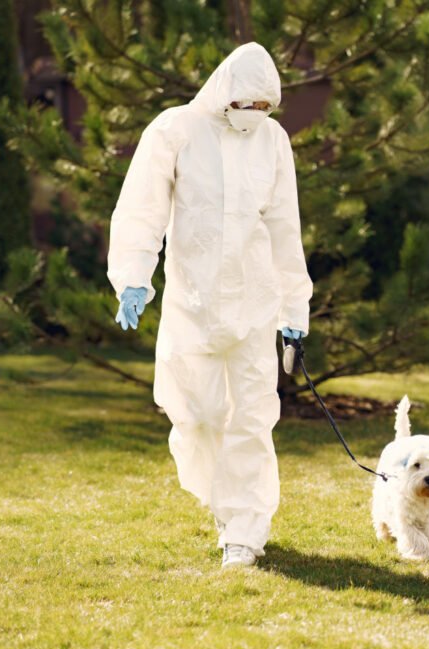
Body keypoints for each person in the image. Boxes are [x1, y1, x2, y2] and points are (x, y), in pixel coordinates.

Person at [107, 43, 313, 568]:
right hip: (192, 303)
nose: (257, 115)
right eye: (249, 104)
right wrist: (134, 276)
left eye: (266, 107)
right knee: (194, 414)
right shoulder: (176, 130)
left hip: (255, 301)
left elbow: (285, 227)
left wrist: (294, 310)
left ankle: (244, 528)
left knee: (252, 416)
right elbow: (142, 207)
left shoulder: (274, 141)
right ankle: (221, 500)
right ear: (225, 93)